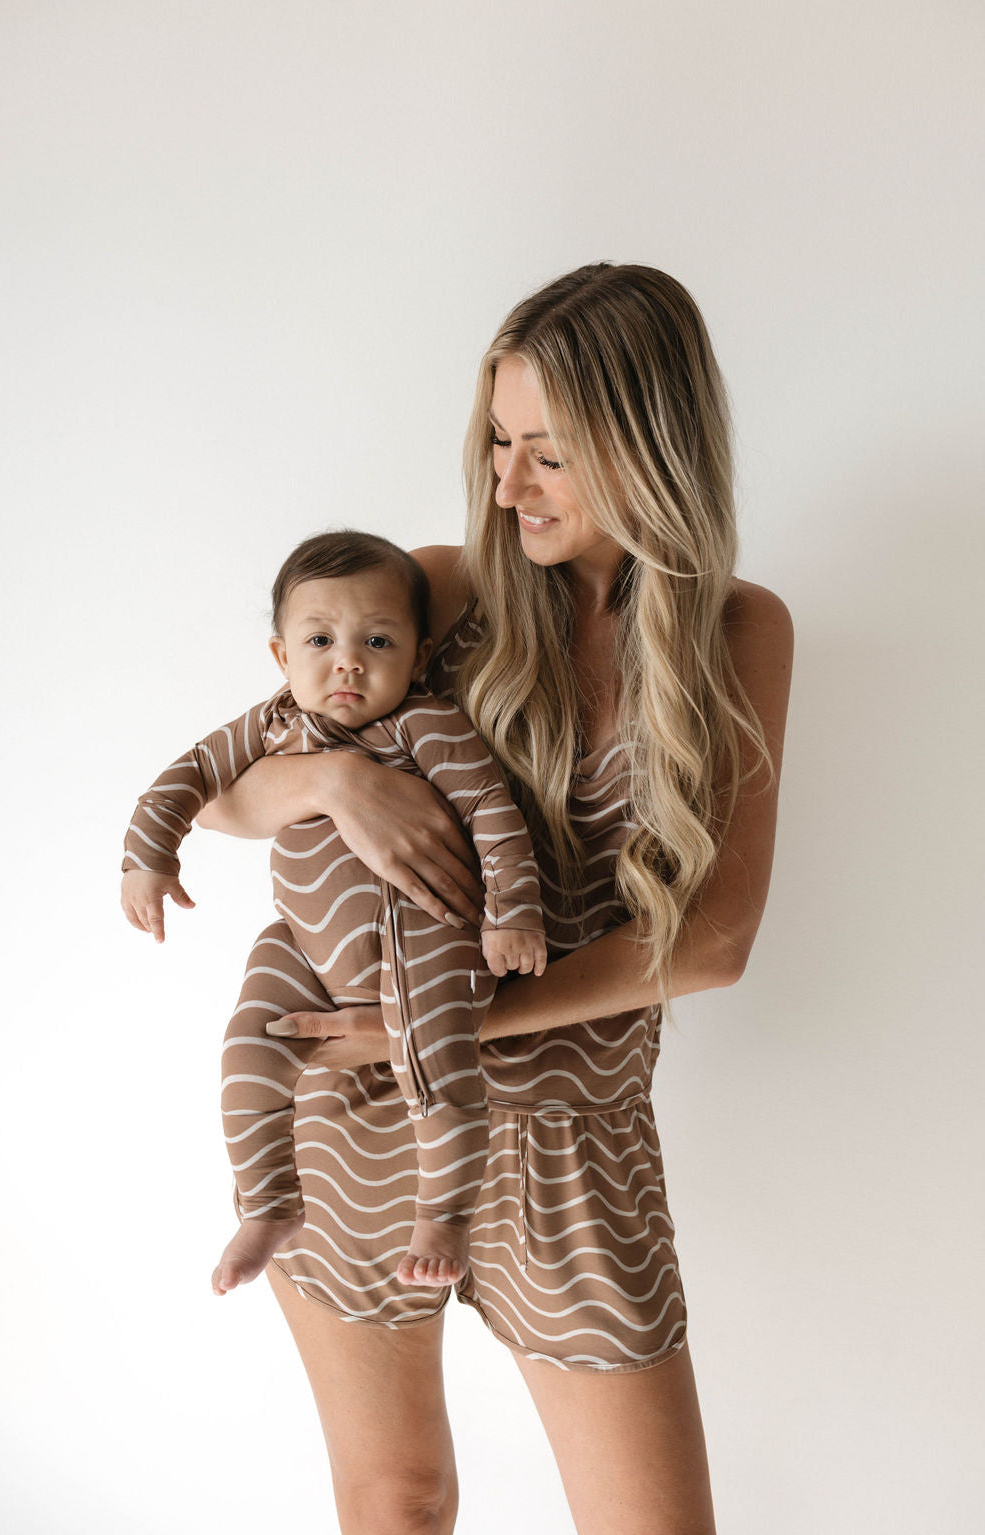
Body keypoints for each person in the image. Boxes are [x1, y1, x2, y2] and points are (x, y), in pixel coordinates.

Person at [196, 263, 793, 1535]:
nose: (508, 484)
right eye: (500, 443)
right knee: (397, 1496)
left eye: (551, 454)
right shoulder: (437, 589)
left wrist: (434, 1027)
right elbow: (215, 799)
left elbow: (716, 941)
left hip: (570, 1134)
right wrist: (334, 779)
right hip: (352, 1106)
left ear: (652, 447)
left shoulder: (739, 631)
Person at [121, 531, 547, 1293]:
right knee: (249, 1044)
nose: (347, 660)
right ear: (283, 655)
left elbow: (492, 809)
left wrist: (512, 910)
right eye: (321, 638)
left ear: (418, 658)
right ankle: (268, 1202)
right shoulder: (273, 722)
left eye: (376, 640)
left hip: (425, 932)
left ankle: (443, 1213)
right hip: (306, 946)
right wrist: (148, 856)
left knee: (435, 1060)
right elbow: (191, 774)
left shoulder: (425, 724)